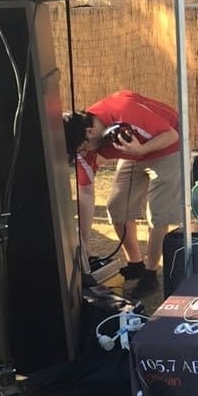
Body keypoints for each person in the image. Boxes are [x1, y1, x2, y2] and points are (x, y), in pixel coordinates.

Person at [63, 90, 181, 299]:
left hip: (167, 145)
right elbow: (86, 193)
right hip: (133, 150)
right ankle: (135, 263)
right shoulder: (84, 145)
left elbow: (172, 134)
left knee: (158, 213)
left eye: (82, 149)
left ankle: (150, 272)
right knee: (117, 206)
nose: (82, 154)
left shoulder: (125, 112)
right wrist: (84, 242)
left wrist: (141, 150)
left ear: (90, 132)